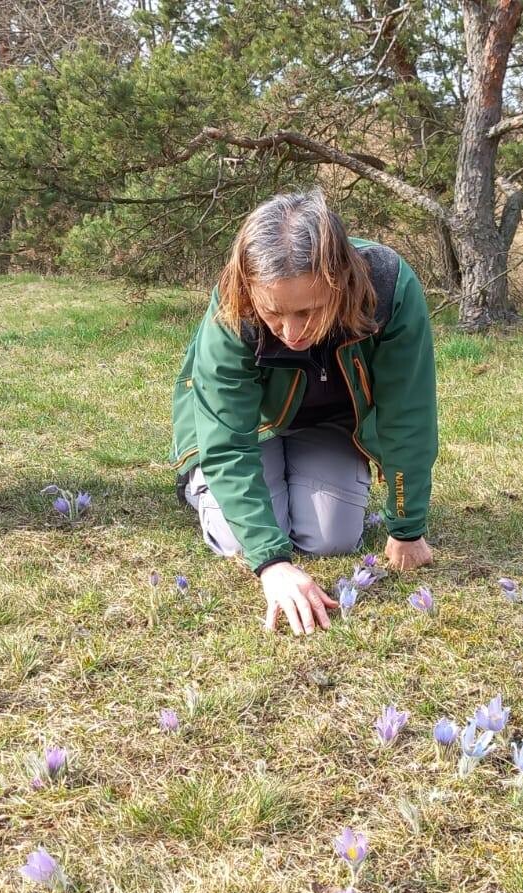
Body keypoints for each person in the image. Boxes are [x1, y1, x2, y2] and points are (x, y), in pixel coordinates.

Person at [171, 189, 438, 636]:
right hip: (252, 428)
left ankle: (292, 475)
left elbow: (407, 413)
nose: (292, 332)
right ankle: (201, 485)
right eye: (273, 313)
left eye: (309, 311)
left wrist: (407, 527)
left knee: (332, 539)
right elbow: (227, 439)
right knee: (240, 541)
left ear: (340, 280)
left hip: (328, 426)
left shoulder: (389, 286)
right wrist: (272, 563)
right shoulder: (233, 304)